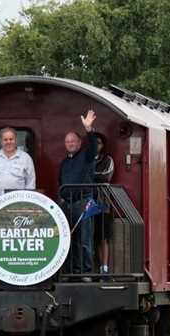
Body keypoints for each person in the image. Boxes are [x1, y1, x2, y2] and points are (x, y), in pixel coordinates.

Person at [59, 110, 98, 275]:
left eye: (73, 141)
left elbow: (94, 146)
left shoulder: (87, 156)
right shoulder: (64, 162)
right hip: (67, 204)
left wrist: (89, 129)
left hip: (84, 202)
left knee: (84, 240)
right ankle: (73, 272)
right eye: (67, 142)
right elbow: (60, 182)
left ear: (80, 142)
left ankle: (86, 273)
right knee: (70, 240)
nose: (70, 143)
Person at [0, 127, 36, 199]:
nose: (8, 142)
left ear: (15, 140)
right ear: (1, 141)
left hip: (18, 200)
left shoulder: (26, 158)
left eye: (11, 139)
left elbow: (31, 182)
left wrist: (28, 199)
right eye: (5, 140)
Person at [93, 133, 115, 275]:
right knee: (90, 237)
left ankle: (104, 268)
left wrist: (89, 175)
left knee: (103, 236)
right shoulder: (85, 158)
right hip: (87, 201)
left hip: (102, 201)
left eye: (99, 143)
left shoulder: (108, 160)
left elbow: (106, 176)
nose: (96, 145)